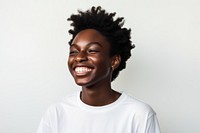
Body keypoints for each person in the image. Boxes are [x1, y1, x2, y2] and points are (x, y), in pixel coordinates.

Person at [37, 6, 161, 133]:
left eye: (92, 50)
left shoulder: (140, 116)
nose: (79, 57)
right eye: (74, 51)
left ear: (114, 61)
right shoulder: (57, 113)